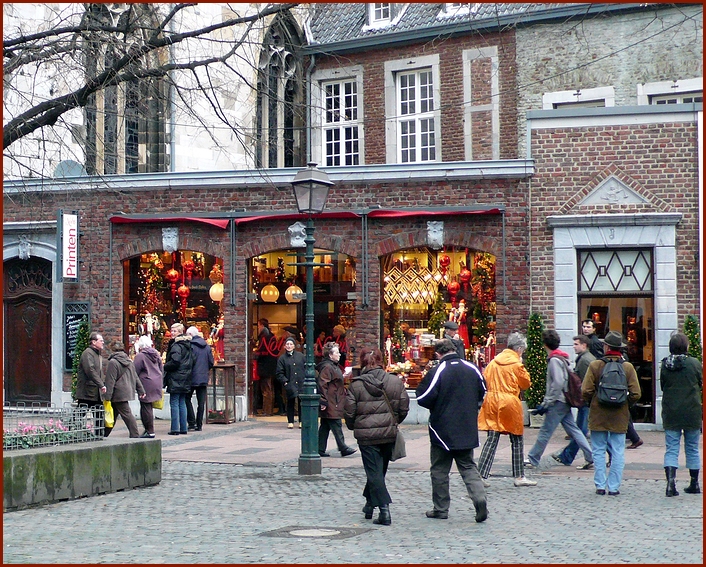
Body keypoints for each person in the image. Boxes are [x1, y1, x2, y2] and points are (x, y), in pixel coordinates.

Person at [416, 338, 488, 522]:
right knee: (468, 467)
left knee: (440, 470)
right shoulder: (472, 368)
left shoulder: (438, 370)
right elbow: (483, 390)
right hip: (466, 426)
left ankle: (441, 509)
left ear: (438, 354)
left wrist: (437, 406)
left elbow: (423, 396)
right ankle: (479, 498)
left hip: (442, 429)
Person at [345, 347, 409, 526]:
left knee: (375, 472)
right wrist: (393, 421)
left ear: (363, 362)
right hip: (388, 433)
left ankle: (384, 509)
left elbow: (349, 412)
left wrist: (355, 426)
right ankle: (369, 504)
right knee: (379, 471)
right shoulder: (394, 382)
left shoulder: (356, 385)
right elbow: (403, 408)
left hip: (367, 435)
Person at [582, 331, 641, 496]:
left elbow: (586, 390)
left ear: (606, 346)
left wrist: (593, 401)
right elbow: (636, 393)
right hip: (619, 415)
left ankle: (600, 485)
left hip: (598, 413)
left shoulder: (595, 365)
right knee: (618, 451)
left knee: (599, 450)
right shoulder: (627, 367)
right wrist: (624, 403)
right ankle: (614, 487)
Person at [526, 330, 594, 470]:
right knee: (574, 430)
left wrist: (547, 402)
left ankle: (533, 458)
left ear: (545, 344)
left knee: (545, 431)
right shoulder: (562, 358)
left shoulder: (554, 360)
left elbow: (557, 382)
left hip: (558, 402)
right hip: (564, 400)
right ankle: (590, 456)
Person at [477, 331, 536, 487]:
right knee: (516, 438)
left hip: (491, 400)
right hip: (509, 401)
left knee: (491, 438)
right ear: (518, 349)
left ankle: (481, 474)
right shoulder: (517, 364)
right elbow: (526, 384)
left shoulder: (493, 362)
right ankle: (519, 476)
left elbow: (485, 379)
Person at [660, 332, 702, 496]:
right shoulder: (694, 363)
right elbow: (700, 382)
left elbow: (663, 385)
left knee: (671, 448)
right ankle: (694, 483)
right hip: (692, 410)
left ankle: (671, 485)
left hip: (671, 411)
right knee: (692, 448)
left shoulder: (665, 364)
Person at [552, 334, 596, 467]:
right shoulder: (586, 358)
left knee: (580, 431)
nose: (574, 347)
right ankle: (567, 456)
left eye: (576, 344)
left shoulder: (584, 361)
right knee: (580, 431)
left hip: (586, 401)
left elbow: (584, 382)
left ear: (584, 345)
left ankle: (569, 456)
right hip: (587, 400)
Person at [317, 341, 357, 457]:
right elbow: (322, 384)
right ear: (330, 355)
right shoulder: (328, 367)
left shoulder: (332, 366)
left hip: (334, 399)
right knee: (335, 423)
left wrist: (343, 377)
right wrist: (323, 400)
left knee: (325, 426)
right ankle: (342, 447)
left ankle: (319, 448)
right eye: (337, 352)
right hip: (331, 400)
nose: (339, 354)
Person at [103, 340, 145, 438]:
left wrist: (107, 397)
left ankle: (135, 435)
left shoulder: (113, 362)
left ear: (112, 350)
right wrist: (141, 390)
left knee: (126, 414)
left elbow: (110, 381)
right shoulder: (128, 360)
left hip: (117, 393)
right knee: (112, 415)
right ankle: (103, 434)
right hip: (126, 391)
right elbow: (135, 377)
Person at [163, 322, 194, 435]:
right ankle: (183, 428)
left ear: (180, 332)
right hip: (185, 376)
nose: (172, 333)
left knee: (175, 402)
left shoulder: (176, 345)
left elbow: (175, 361)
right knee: (182, 402)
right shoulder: (188, 344)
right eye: (171, 330)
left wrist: (165, 366)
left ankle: (175, 428)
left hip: (176, 377)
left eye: (174, 331)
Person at [75, 332, 108, 432]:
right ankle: (70, 429)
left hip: (95, 391)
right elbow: (90, 370)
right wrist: (101, 384)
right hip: (87, 391)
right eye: (100, 340)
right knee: (80, 413)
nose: (103, 342)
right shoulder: (88, 353)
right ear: (94, 342)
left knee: (99, 414)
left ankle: (99, 434)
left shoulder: (97, 354)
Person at [133, 335, 164, 438]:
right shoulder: (156, 354)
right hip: (156, 382)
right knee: (149, 406)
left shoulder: (140, 356)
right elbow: (161, 369)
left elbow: (134, 371)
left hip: (145, 383)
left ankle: (149, 431)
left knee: (146, 407)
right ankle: (149, 430)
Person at [186, 326, 214, 432]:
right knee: (201, 402)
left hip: (191, 377)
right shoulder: (206, 347)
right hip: (203, 377)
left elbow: (188, 362)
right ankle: (199, 424)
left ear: (191, 335)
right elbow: (211, 362)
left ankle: (191, 422)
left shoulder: (190, 346)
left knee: (186, 399)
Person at [276, 337, 306, 428]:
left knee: (301, 402)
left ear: (294, 346)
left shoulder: (300, 356)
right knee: (290, 402)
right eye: (287, 344)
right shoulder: (282, 358)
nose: (289, 346)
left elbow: (305, 368)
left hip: (301, 382)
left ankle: (301, 421)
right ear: (285, 346)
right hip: (290, 382)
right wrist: (285, 382)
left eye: (291, 344)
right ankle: (290, 421)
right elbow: (279, 373)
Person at [254, 318, 280, 415]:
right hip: (271, 365)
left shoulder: (264, 337)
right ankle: (268, 410)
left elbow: (262, 351)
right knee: (269, 388)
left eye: (259, 325)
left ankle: (267, 411)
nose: (258, 328)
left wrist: (256, 353)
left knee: (266, 389)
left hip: (265, 366)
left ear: (262, 326)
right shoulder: (271, 336)